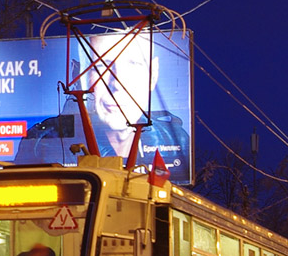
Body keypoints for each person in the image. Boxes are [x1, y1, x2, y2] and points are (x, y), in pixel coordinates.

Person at [15, 32, 189, 175]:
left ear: (153, 74)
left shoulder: (176, 138)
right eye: (101, 67)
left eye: (133, 64)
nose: (117, 84)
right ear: (80, 76)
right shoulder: (40, 142)